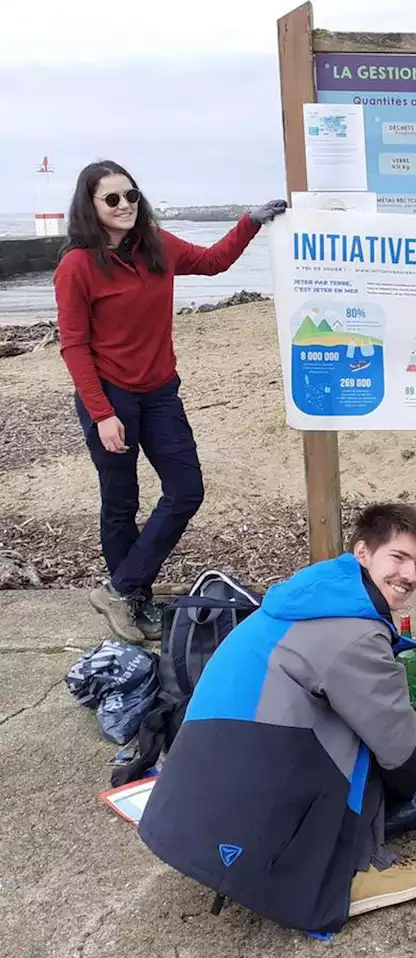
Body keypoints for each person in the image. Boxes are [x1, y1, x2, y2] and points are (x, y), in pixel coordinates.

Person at [139, 504, 416, 933]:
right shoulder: (355, 631)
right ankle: (355, 874)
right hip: (251, 787)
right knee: (365, 749)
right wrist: (409, 785)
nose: (409, 575)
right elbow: (396, 744)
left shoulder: (316, 591)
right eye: (397, 558)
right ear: (363, 553)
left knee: (343, 718)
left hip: (184, 810)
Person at [54, 160, 287, 642]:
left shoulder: (157, 246)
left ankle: (118, 589)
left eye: (131, 196)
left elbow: (212, 261)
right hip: (111, 396)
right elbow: (74, 345)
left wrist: (250, 222)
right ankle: (133, 603)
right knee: (120, 503)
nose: (125, 206)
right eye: (112, 199)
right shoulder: (78, 266)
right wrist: (102, 414)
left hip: (160, 392)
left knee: (186, 490)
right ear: (90, 207)